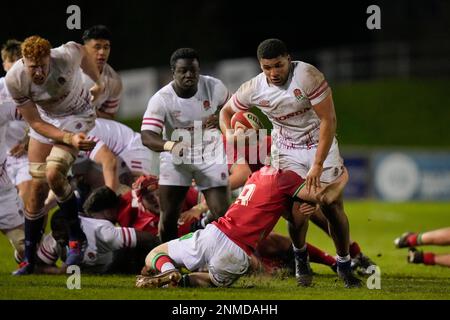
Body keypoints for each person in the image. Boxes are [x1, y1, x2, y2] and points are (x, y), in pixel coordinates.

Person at [220, 38, 361, 287]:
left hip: (320, 144)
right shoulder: (253, 88)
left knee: (331, 206)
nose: (273, 73)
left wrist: (317, 165)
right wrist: (230, 134)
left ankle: (344, 263)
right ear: (260, 66)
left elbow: (329, 120)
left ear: (289, 59)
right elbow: (226, 113)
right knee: (296, 212)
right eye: (267, 67)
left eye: (278, 65)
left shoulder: (307, 75)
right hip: (286, 150)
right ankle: (300, 256)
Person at [136, 166, 352, 289]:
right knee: (211, 281)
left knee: (155, 253)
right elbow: (324, 198)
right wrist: (343, 176)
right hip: (237, 252)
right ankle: (179, 280)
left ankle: (168, 272)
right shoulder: (285, 177)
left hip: (213, 233)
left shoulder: (254, 178)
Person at [5, 35, 104, 274]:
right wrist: (67, 138)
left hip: (78, 116)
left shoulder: (65, 55)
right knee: (36, 191)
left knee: (53, 173)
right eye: (32, 67)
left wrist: (98, 82)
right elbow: (36, 123)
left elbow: (82, 50)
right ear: (23, 61)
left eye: (42, 65)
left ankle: (75, 237)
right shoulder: (14, 79)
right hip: (46, 122)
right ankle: (30, 258)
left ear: (50, 58)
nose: (38, 72)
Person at [141, 48, 231, 242]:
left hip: (209, 154)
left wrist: (221, 119)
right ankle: (166, 263)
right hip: (175, 157)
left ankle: (212, 246)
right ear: (173, 72)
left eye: (193, 70)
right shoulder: (161, 99)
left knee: (222, 213)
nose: (189, 74)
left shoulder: (215, 87)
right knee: (170, 216)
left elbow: (234, 109)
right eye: (183, 71)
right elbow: (147, 136)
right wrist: (171, 146)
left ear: (199, 70)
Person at [35, 187, 160, 274]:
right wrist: (58, 271)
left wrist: (161, 263)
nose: (57, 236)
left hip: (122, 264)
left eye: (62, 232)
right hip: (95, 268)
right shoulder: (53, 238)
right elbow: (37, 266)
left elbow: (151, 239)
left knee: (126, 254)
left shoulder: (103, 232)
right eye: (55, 230)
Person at [1, 40, 32, 201]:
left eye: (19, 60)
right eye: (11, 60)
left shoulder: (34, 88)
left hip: (27, 154)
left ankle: (34, 227)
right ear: (4, 65)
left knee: (31, 192)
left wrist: (27, 142)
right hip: (4, 156)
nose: (15, 65)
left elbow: (44, 120)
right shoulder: (0, 89)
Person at [0, 77, 25, 264]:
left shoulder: (4, 107)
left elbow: (36, 115)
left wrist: (29, 139)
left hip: (1, 189)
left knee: (23, 246)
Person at [82, 25, 123, 119]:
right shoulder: (70, 69)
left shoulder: (114, 81)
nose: (102, 52)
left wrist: (92, 113)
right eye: (97, 47)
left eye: (106, 47)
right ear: (85, 48)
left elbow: (109, 115)